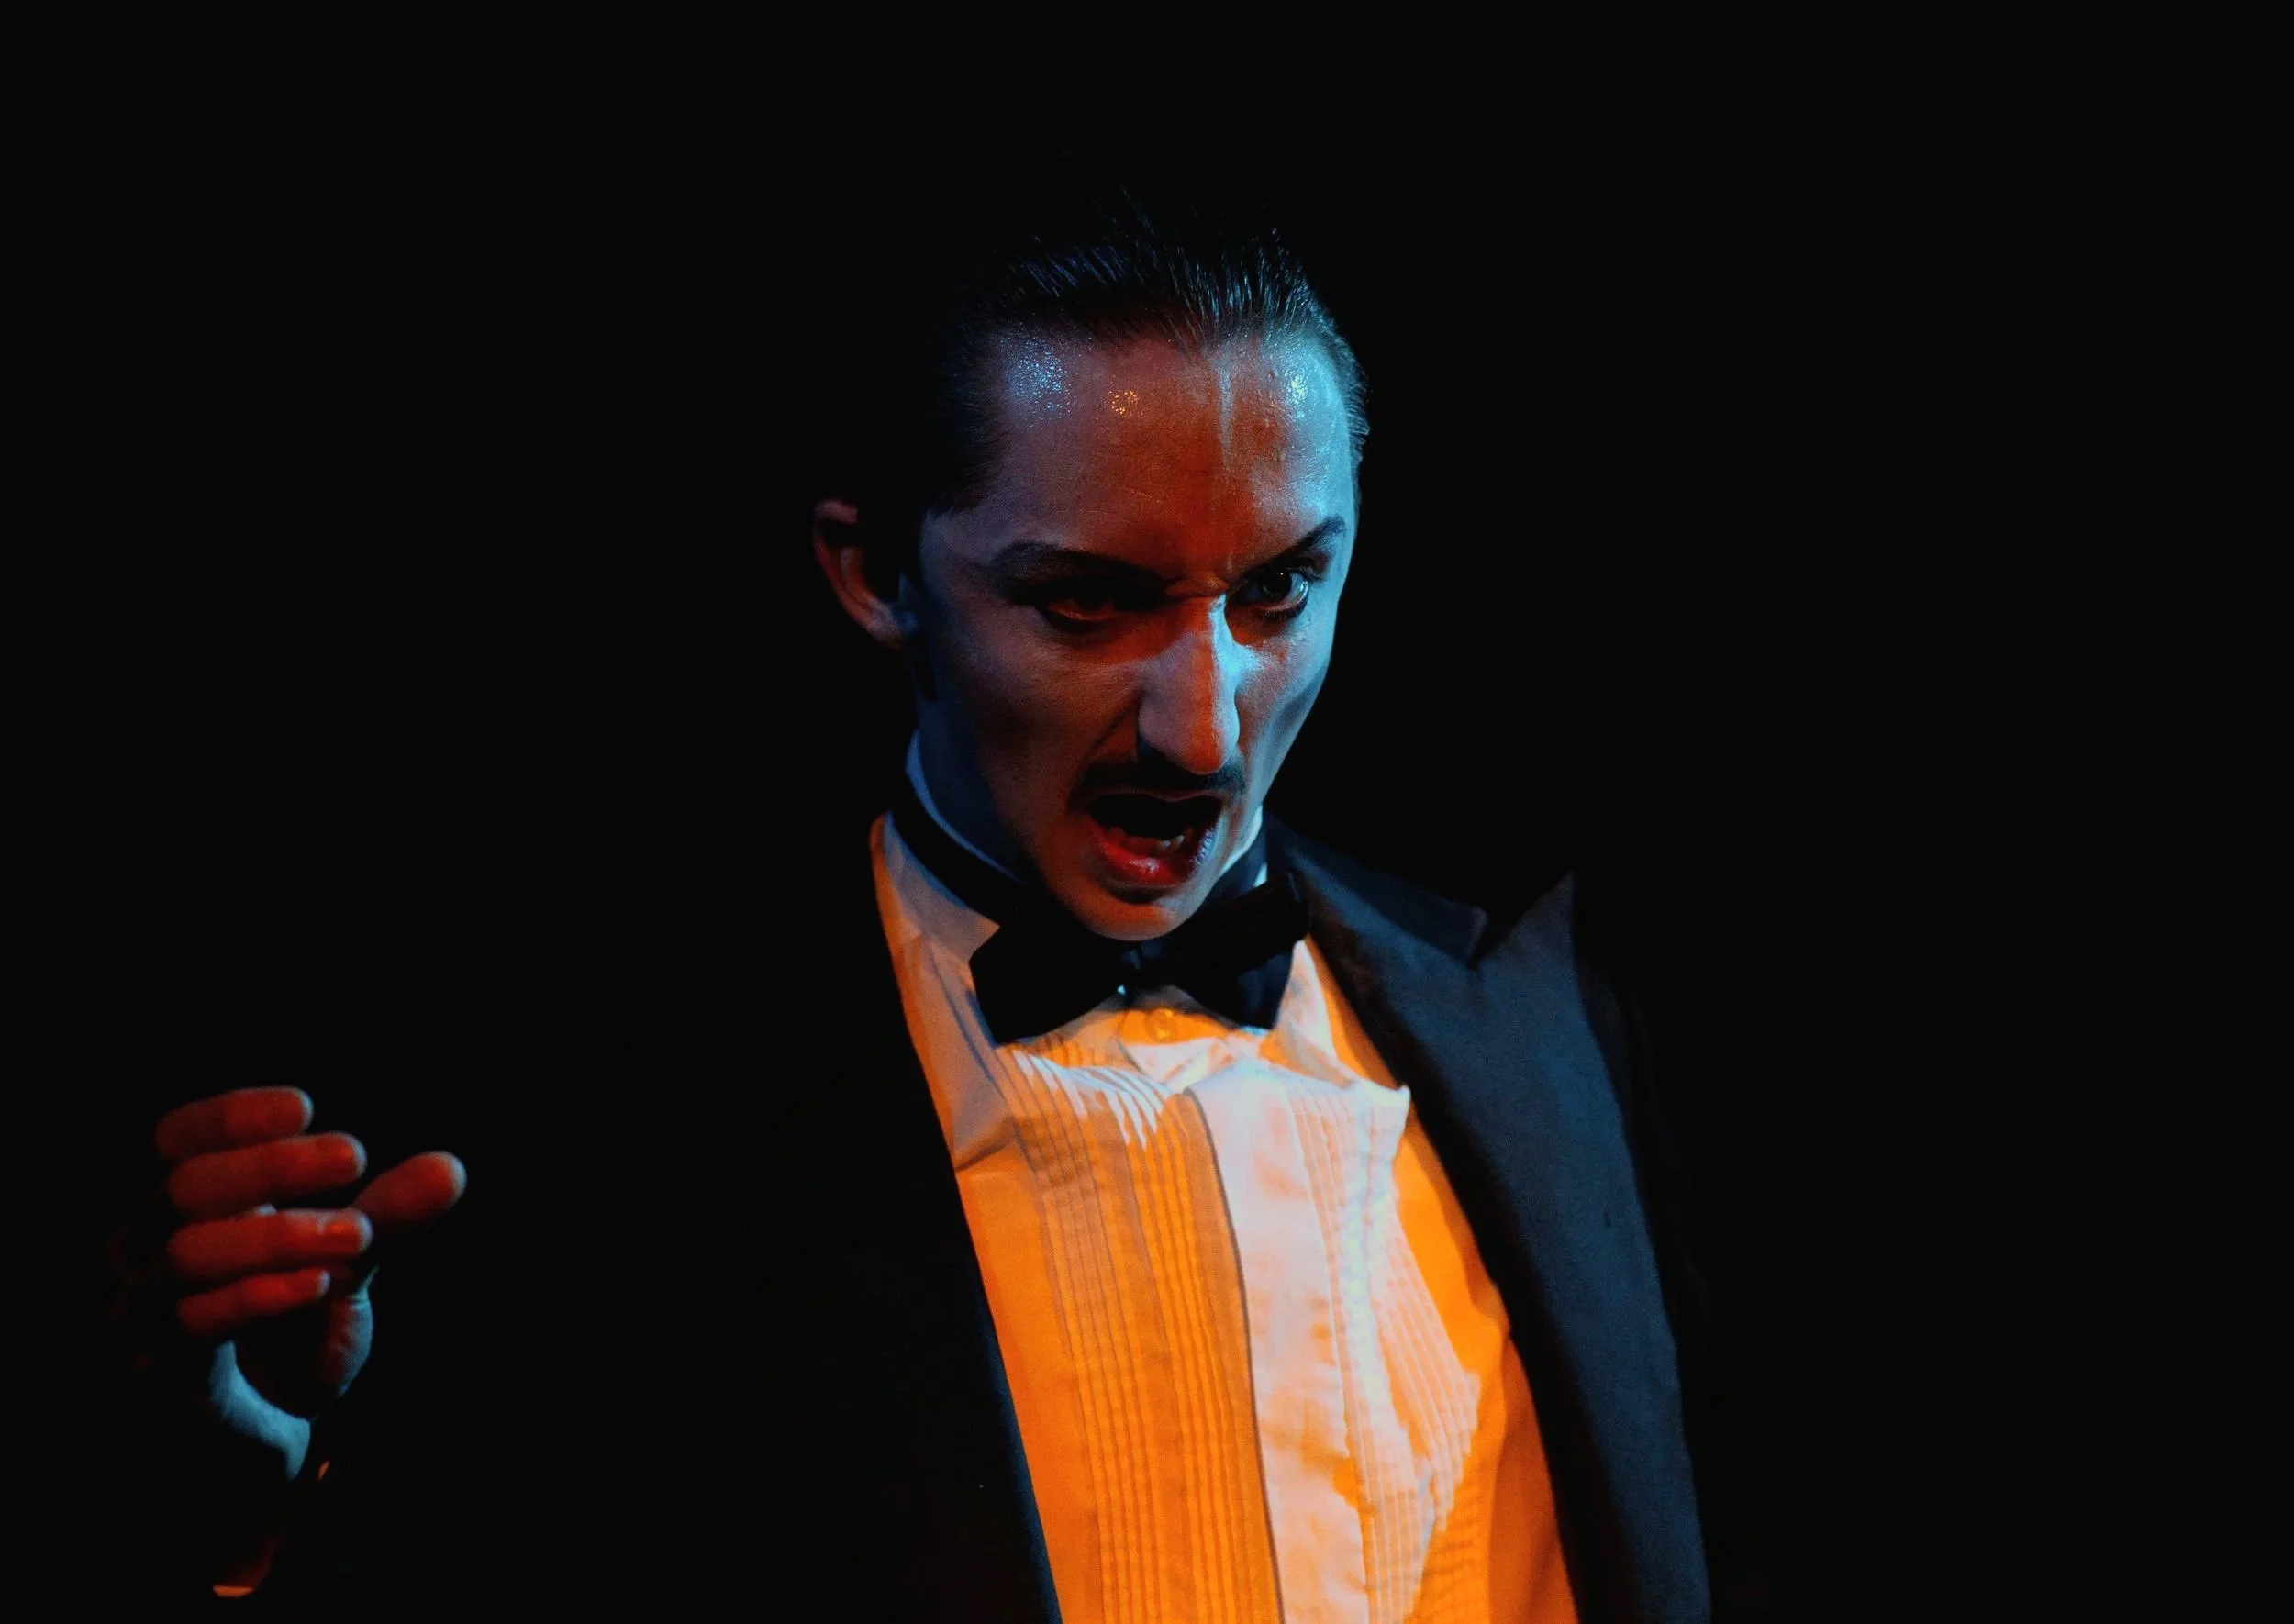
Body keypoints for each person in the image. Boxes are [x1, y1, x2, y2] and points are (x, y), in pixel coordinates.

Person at [84, 173, 1758, 1621]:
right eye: (1089, 606)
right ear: (875, 575)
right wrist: (246, 1469)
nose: (1205, 719)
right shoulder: (632, 1124)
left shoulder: (1542, 1015)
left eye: (1278, 589)